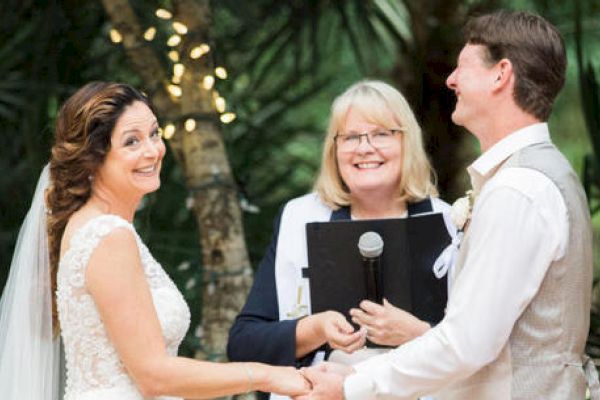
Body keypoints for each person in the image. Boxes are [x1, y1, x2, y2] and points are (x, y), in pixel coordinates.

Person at [298, 10, 599, 400]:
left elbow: (467, 344)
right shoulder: (544, 173)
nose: (451, 79)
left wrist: (352, 386)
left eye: (462, 68)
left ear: (500, 74)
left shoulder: (518, 189)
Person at [0, 81, 310, 400]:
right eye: (131, 141)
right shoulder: (107, 236)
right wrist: (267, 375)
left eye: (154, 133)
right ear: (94, 158)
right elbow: (153, 376)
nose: (152, 151)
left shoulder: (97, 227)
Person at [227, 80, 456, 400]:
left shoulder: (448, 222)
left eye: (381, 134)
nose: (365, 147)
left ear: (407, 142)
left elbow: (477, 346)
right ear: (334, 149)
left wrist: (418, 334)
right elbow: (243, 343)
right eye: (350, 137)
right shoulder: (300, 217)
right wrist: (315, 329)